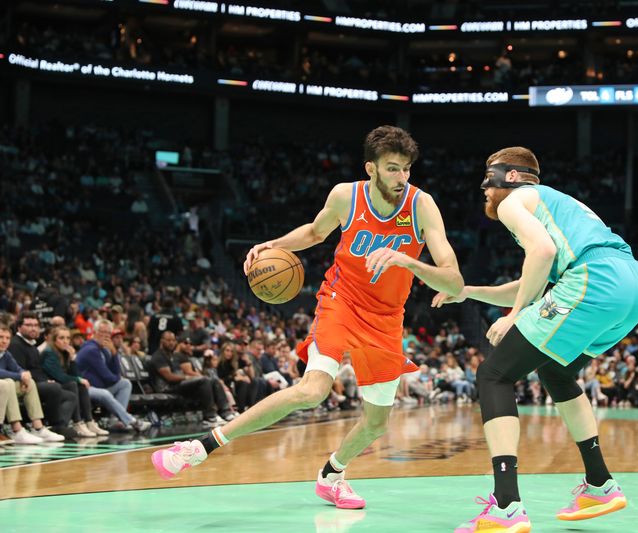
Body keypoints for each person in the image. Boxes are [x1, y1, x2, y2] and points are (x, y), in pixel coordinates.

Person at [151, 126, 463, 510]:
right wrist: (272, 245)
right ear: (371, 168)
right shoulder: (346, 196)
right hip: (342, 301)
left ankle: (332, 475)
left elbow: (453, 277)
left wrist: (407, 261)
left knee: (377, 423)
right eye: (393, 169)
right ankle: (200, 446)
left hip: (386, 318)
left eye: (406, 170)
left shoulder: (421, 205)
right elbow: (316, 232)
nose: (402, 178)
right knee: (312, 390)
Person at [433, 147, 638, 532]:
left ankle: (506, 505)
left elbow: (542, 253)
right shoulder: (555, 203)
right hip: (631, 286)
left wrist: (514, 316)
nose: (483, 188)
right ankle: (600, 484)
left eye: (488, 177)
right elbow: (534, 279)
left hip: (593, 281)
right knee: (556, 373)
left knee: (493, 375)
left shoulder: (513, 202)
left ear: (511, 177)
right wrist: (468, 291)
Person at [75, 319, 151, 432]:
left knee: (125, 383)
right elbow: (108, 377)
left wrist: (114, 353)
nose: (105, 336)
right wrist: (117, 378)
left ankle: (116, 421)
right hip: (84, 388)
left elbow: (115, 372)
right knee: (106, 392)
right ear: (94, 332)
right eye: (102, 332)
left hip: (98, 386)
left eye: (108, 333)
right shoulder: (90, 349)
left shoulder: (104, 349)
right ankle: (132, 421)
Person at [8, 312, 75, 436]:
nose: (33, 328)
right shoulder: (15, 344)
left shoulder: (31, 344)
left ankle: (63, 424)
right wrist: (44, 380)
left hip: (36, 381)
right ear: (19, 327)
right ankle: (53, 425)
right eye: (29, 325)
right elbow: (21, 371)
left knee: (70, 394)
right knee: (54, 388)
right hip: (24, 383)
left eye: (36, 325)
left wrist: (46, 379)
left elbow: (37, 369)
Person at [0, 323, 65, 444]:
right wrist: (20, 375)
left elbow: (17, 368)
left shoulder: (6, 354)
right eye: (1, 337)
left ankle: (38, 428)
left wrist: (24, 374)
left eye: (7, 338)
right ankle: (17, 430)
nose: (4, 341)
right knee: (7, 383)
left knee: (30, 382)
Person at [42, 325, 108, 437]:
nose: (65, 341)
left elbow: (75, 374)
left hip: (60, 385)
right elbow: (59, 376)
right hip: (50, 386)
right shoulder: (49, 352)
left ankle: (89, 421)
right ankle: (77, 422)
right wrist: (78, 379)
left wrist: (72, 359)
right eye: (61, 338)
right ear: (54, 340)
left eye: (68, 338)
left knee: (80, 386)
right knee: (74, 383)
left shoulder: (64, 352)